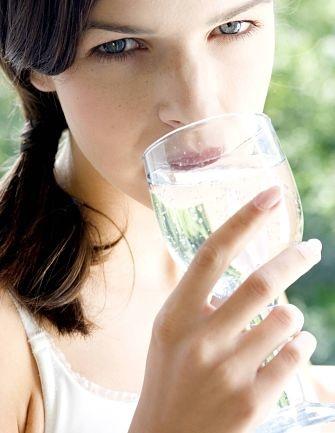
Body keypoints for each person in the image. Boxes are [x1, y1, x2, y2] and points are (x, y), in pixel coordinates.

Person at [0, 0, 332, 432]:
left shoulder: (222, 240)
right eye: (120, 45)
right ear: (37, 64)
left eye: (231, 27)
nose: (198, 106)